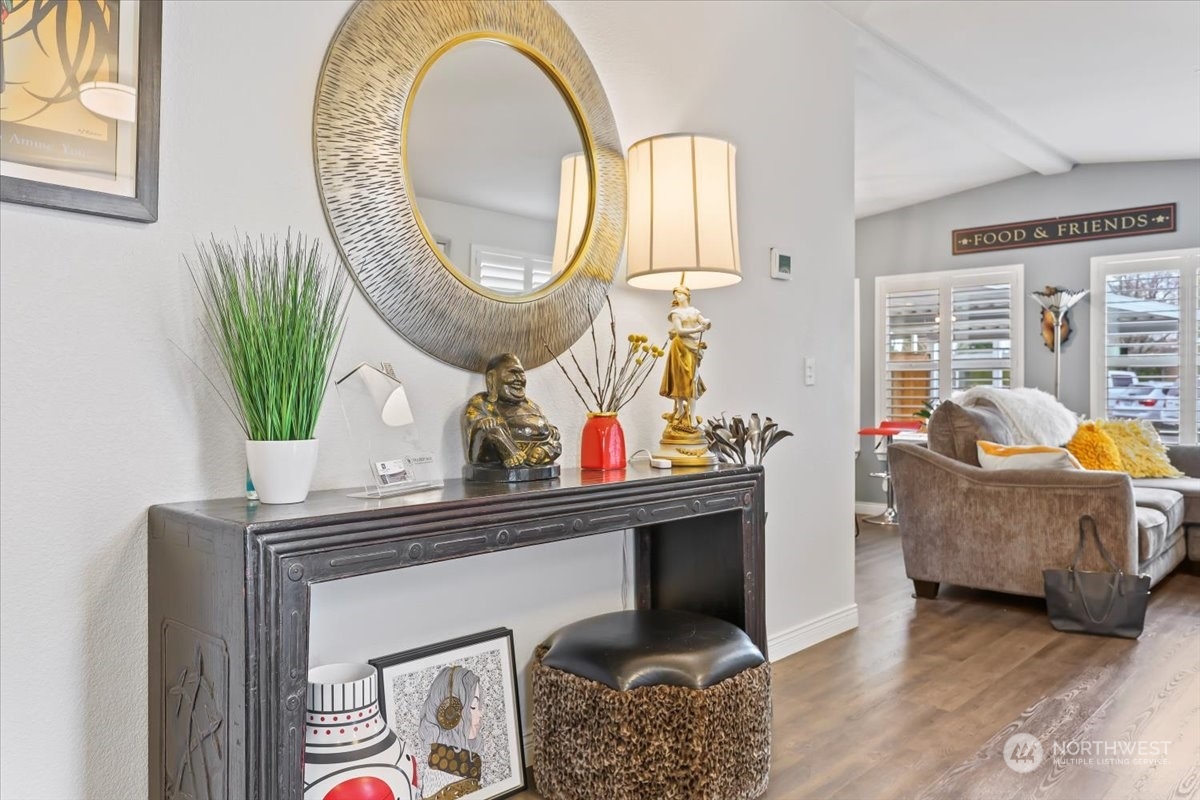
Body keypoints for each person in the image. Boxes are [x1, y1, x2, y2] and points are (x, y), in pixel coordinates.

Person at [462, 353, 561, 468]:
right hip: (498, 451)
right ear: (492, 378)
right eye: (513, 373)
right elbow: (474, 423)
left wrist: (551, 431)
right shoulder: (481, 402)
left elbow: (549, 428)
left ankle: (542, 453)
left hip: (536, 450)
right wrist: (483, 423)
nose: (519, 379)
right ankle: (512, 455)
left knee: (555, 443)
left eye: (521, 374)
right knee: (491, 429)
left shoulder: (531, 405)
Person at [417, 665, 485, 800]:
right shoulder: (442, 776)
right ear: (451, 714)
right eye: (472, 707)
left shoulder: (462, 765)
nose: (481, 713)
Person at [659, 286, 711, 433]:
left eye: (680, 294)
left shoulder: (694, 311)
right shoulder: (675, 313)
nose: (677, 297)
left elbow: (704, 321)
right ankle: (680, 409)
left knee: (692, 380)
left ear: (687, 295)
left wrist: (706, 323)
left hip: (692, 348)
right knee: (679, 379)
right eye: (676, 294)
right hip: (679, 347)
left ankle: (692, 415)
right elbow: (680, 332)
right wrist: (697, 330)